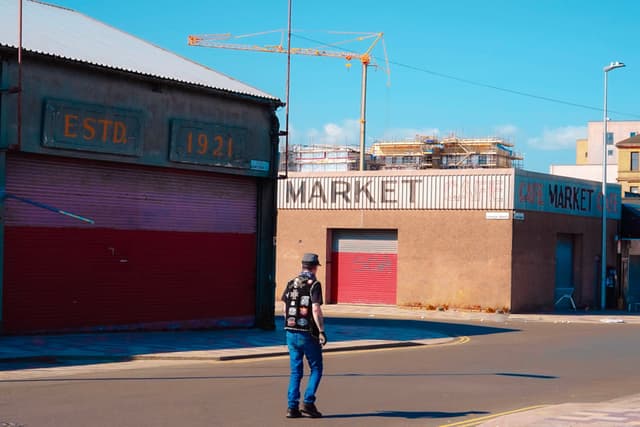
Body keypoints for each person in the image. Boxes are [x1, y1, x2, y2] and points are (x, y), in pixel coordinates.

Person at [281, 253, 327, 419]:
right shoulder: (314, 284)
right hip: (307, 333)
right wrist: (321, 331)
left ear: (302, 266)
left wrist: (289, 324)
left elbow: (284, 308)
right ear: (314, 267)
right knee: (316, 367)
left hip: (290, 332)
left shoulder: (291, 283)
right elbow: (315, 308)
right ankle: (308, 403)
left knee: (296, 371)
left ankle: (292, 407)